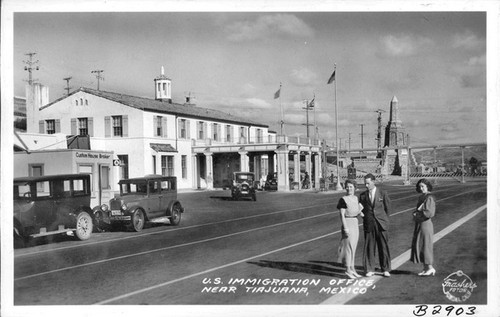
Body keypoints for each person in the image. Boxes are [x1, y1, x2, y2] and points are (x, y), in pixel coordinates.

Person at [359, 173, 392, 277]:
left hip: (381, 224)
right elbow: (361, 209)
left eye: (368, 183)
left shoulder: (382, 193)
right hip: (369, 224)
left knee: (383, 247)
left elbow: (387, 209)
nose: (366, 186)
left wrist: (384, 220)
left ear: (374, 182)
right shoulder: (363, 195)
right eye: (365, 184)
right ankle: (370, 269)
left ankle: (385, 269)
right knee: (369, 247)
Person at [337, 179, 364, 279]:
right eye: (347, 187)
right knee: (348, 248)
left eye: (351, 187)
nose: (349, 189)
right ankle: (348, 269)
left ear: (355, 188)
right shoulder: (343, 199)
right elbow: (342, 215)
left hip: (355, 222)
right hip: (348, 223)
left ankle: (352, 268)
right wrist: (345, 228)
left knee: (353, 247)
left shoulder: (356, 198)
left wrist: (360, 212)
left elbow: (356, 210)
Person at [411, 178, 436, 276]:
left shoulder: (429, 197)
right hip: (420, 224)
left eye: (423, 186)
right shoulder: (422, 197)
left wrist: (417, 215)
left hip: (425, 224)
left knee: (426, 245)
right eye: (420, 186)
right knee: (421, 245)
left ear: (427, 187)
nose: (421, 188)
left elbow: (429, 213)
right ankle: (426, 268)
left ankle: (430, 267)